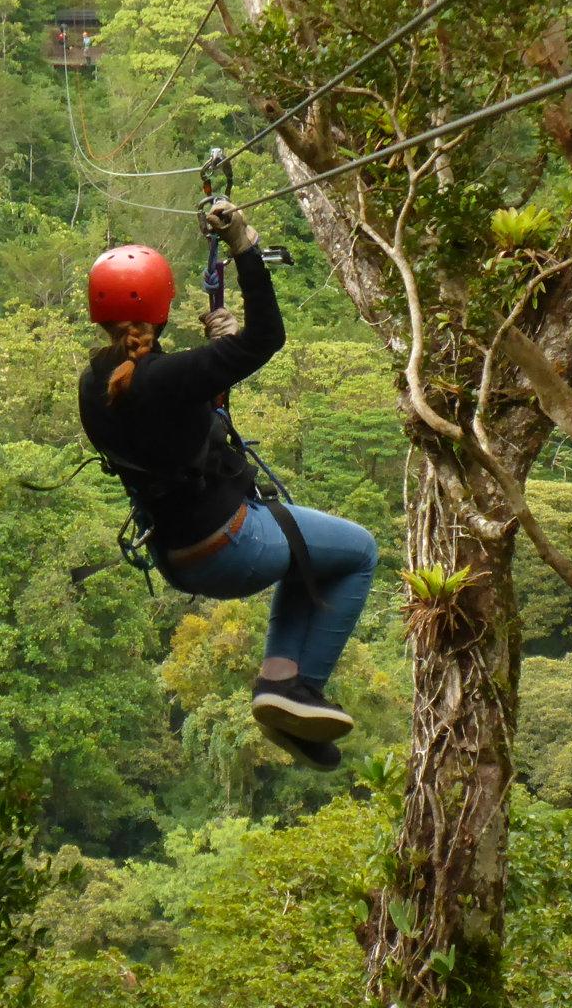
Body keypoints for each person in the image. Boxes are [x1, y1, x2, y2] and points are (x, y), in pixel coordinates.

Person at [78, 201, 379, 770]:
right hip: (231, 545)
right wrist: (243, 247)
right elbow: (268, 337)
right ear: (162, 308)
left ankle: (280, 683)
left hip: (177, 554)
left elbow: (170, 417)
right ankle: (301, 686)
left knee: (310, 556)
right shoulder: (169, 376)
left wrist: (217, 359)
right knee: (359, 551)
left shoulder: (94, 385)